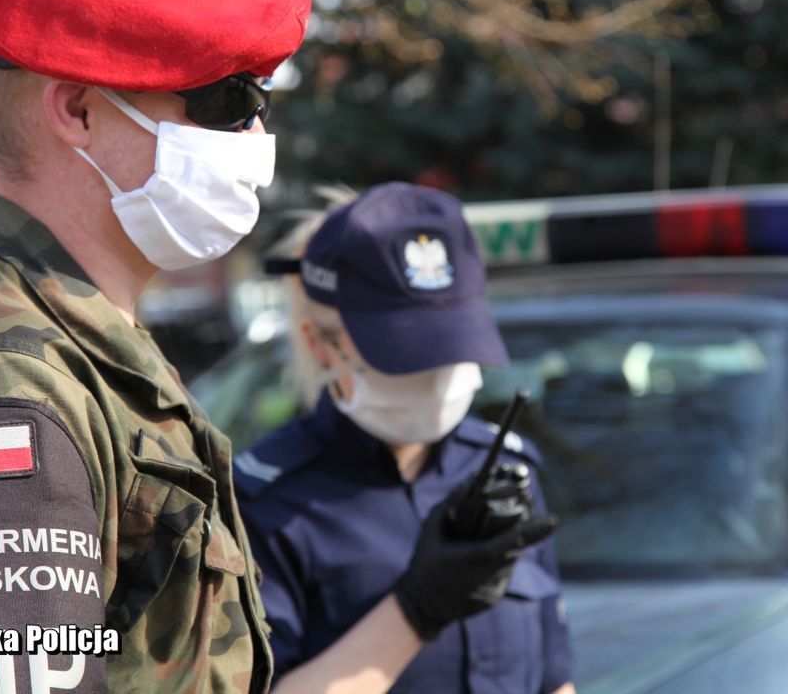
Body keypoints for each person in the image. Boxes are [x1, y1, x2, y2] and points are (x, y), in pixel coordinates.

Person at [0, 0, 310, 692]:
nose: (253, 136)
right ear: (77, 111)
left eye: (259, 101)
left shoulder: (80, 349)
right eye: (224, 100)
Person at [235, 183, 577, 694]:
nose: (435, 372)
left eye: (449, 343)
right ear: (321, 345)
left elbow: (555, 680)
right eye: (404, 353)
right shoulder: (262, 502)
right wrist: (416, 611)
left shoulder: (508, 470)